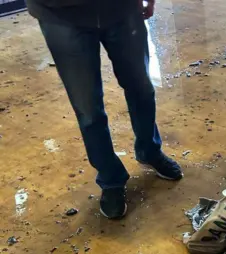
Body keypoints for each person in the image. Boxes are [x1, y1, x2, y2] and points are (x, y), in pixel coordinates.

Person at [25, 0, 183, 219]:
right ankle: (110, 179)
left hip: (122, 8)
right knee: (87, 107)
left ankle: (150, 151)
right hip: (62, 16)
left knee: (142, 88)